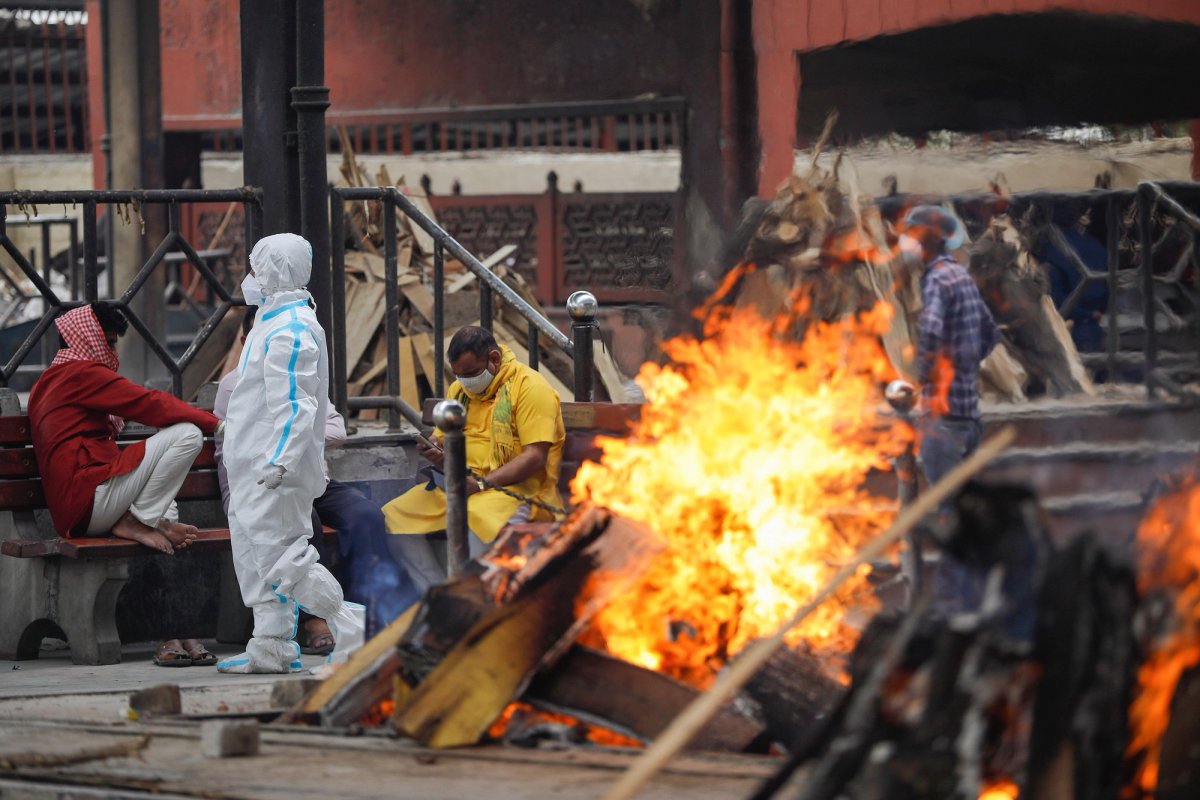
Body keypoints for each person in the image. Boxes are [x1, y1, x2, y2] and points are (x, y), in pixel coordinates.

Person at [28, 303, 223, 667]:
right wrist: (214, 423)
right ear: (87, 340)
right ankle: (142, 521)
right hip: (89, 500)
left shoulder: (52, 379)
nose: (113, 352)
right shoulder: (79, 373)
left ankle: (176, 629)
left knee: (171, 519)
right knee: (187, 434)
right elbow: (149, 402)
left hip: (87, 503)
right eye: (109, 342)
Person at [214, 311, 418, 651]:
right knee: (305, 522)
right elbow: (230, 449)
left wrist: (295, 429)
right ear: (247, 341)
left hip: (314, 480)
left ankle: (365, 607)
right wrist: (234, 498)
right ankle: (314, 620)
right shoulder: (235, 386)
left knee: (366, 515)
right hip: (268, 488)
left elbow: (337, 429)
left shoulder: (300, 376)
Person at [217, 233, 365, 674]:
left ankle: (356, 631)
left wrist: (281, 459)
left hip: (272, 469)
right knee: (257, 559)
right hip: (251, 466)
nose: (250, 276)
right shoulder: (270, 320)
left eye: (256, 267)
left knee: (286, 561)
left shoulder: (292, 328)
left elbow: (296, 405)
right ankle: (271, 647)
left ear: (274, 270)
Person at [383, 326, 566, 591]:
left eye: (470, 373)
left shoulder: (531, 388)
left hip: (514, 490)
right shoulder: (459, 391)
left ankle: (472, 600)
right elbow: (443, 439)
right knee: (392, 517)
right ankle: (437, 595)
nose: (464, 381)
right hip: (461, 485)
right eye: (458, 374)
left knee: (473, 518)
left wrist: (481, 484)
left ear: (494, 359)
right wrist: (436, 452)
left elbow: (535, 456)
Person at [902, 205, 1000, 612]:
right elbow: (990, 333)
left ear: (925, 239)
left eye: (911, 234)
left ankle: (953, 607)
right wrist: (964, 365)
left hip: (943, 422)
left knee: (948, 516)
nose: (906, 241)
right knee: (962, 511)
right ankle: (974, 599)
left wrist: (921, 378)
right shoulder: (961, 275)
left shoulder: (936, 280)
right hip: (970, 418)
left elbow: (930, 331)